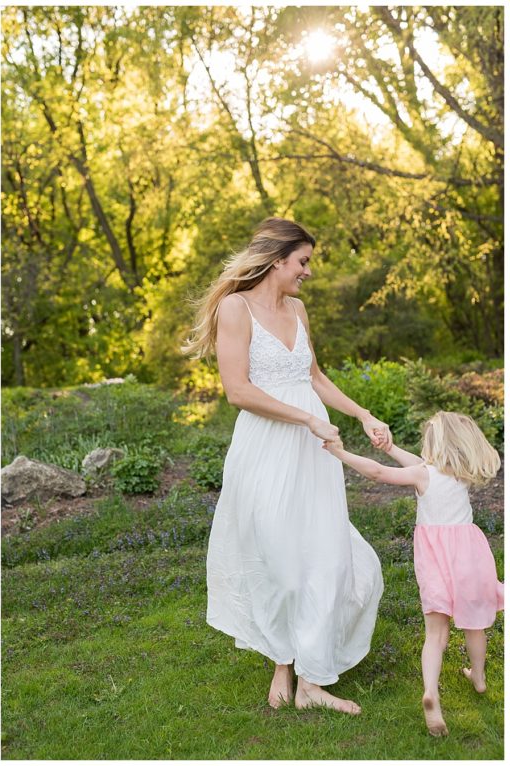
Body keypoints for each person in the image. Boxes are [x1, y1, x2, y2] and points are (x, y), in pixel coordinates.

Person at [184, 217, 389, 714]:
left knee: (325, 554)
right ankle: (283, 661)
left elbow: (314, 376)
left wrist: (362, 414)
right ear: (277, 259)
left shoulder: (297, 309)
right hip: (267, 449)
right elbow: (238, 391)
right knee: (280, 560)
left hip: (312, 451)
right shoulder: (236, 308)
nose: (308, 272)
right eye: (303, 261)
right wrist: (306, 420)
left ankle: (314, 682)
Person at [324, 411, 503, 736]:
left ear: (435, 443)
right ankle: (477, 678)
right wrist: (389, 447)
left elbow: (379, 474)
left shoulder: (424, 475)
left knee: (436, 634)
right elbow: (416, 462)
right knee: (475, 625)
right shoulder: (460, 472)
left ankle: (431, 693)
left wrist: (339, 452)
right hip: (471, 559)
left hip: (435, 561)